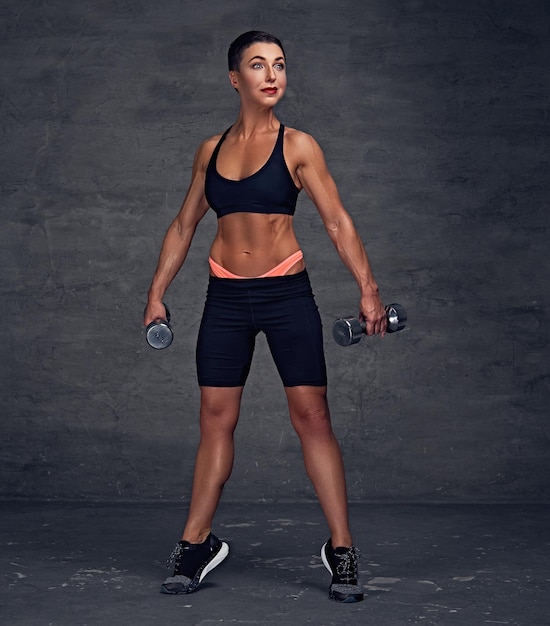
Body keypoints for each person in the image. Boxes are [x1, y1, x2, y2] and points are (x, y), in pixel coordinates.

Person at [143, 30, 387, 604]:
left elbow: (337, 221)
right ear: (236, 79)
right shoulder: (211, 150)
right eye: (258, 65)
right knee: (215, 419)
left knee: (312, 416)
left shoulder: (299, 146)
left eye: (279, 64)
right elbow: (183, 227)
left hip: (285, 295)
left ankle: (342, 549)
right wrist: (156, 293)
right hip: (225, 298)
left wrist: (368, 289)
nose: (272, 74)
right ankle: (196, 542)